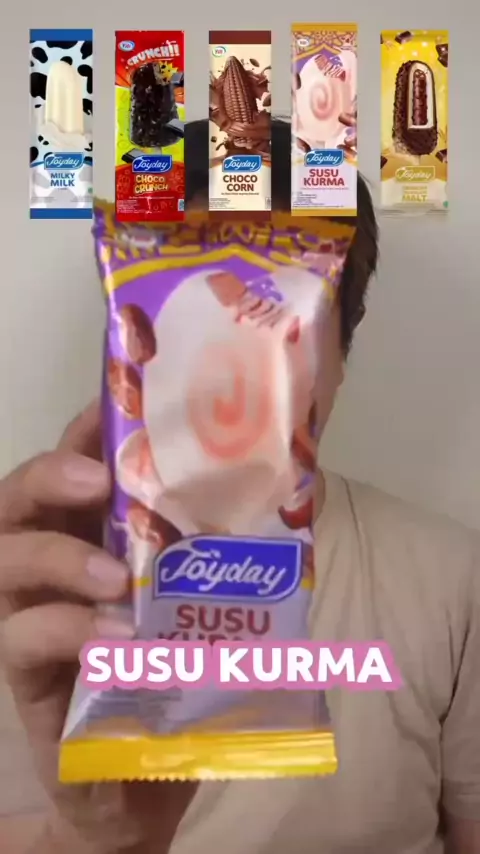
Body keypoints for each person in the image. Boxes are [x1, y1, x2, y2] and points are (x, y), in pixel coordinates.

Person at [0, 120, 479, 854]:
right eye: (186, 304)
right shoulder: (38, 601)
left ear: (340, 355)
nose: (229, 359)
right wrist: (99, 839)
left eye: (273, 312)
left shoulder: (450, 579)